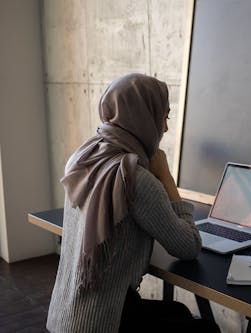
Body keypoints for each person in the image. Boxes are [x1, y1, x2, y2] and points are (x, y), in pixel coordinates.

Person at [46, 73, 221, 333]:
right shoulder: (134, 178)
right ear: (144, 117)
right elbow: (188, 246)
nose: (165, 128)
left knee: (179, 312)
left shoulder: (82, 157)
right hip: (104, 322)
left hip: (64, 317)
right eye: (164, 117)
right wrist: (166, 177)